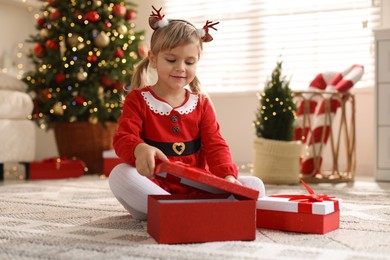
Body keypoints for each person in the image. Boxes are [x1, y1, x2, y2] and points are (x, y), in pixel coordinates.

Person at [109, 6, 265, 220]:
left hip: (197, 184)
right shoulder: (137, 99)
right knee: (120, 175)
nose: (181, 68)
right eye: (171, 60)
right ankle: (178, 210)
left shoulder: (201, 103)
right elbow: (123, 138)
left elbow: (215, 144)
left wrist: (228, 177)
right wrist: (139, 149)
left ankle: (180, 211)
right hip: (155, 182)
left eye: (189, 62)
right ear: (153, 59)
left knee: (255, 185)